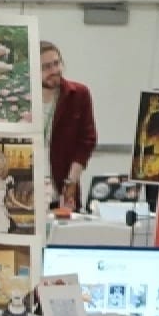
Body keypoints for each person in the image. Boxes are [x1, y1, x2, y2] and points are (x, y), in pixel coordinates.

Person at [41, 43, 96, 209]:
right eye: (46, 67)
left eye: (56, 63)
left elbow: (87, 141)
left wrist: (72, 180)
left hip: (63, 187)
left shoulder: (78, 94)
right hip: (29, 190)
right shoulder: (22, 101)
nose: (54, 71)